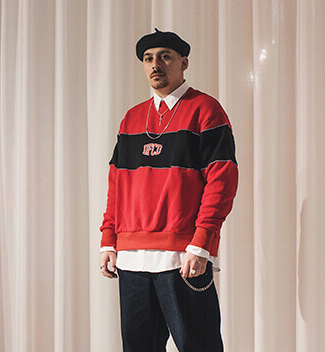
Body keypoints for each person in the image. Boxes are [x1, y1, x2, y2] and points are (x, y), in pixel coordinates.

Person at [99, 28, 238, 352]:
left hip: (182, 255)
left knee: (199, 345)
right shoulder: (131, 119)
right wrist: (109, 239)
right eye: (148, 58)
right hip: (132, 256)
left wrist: (201, 244)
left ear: (183, 62)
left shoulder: (206, 110)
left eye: (165, 56)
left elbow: (222, 180)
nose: (155, 64)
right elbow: (117, 186)